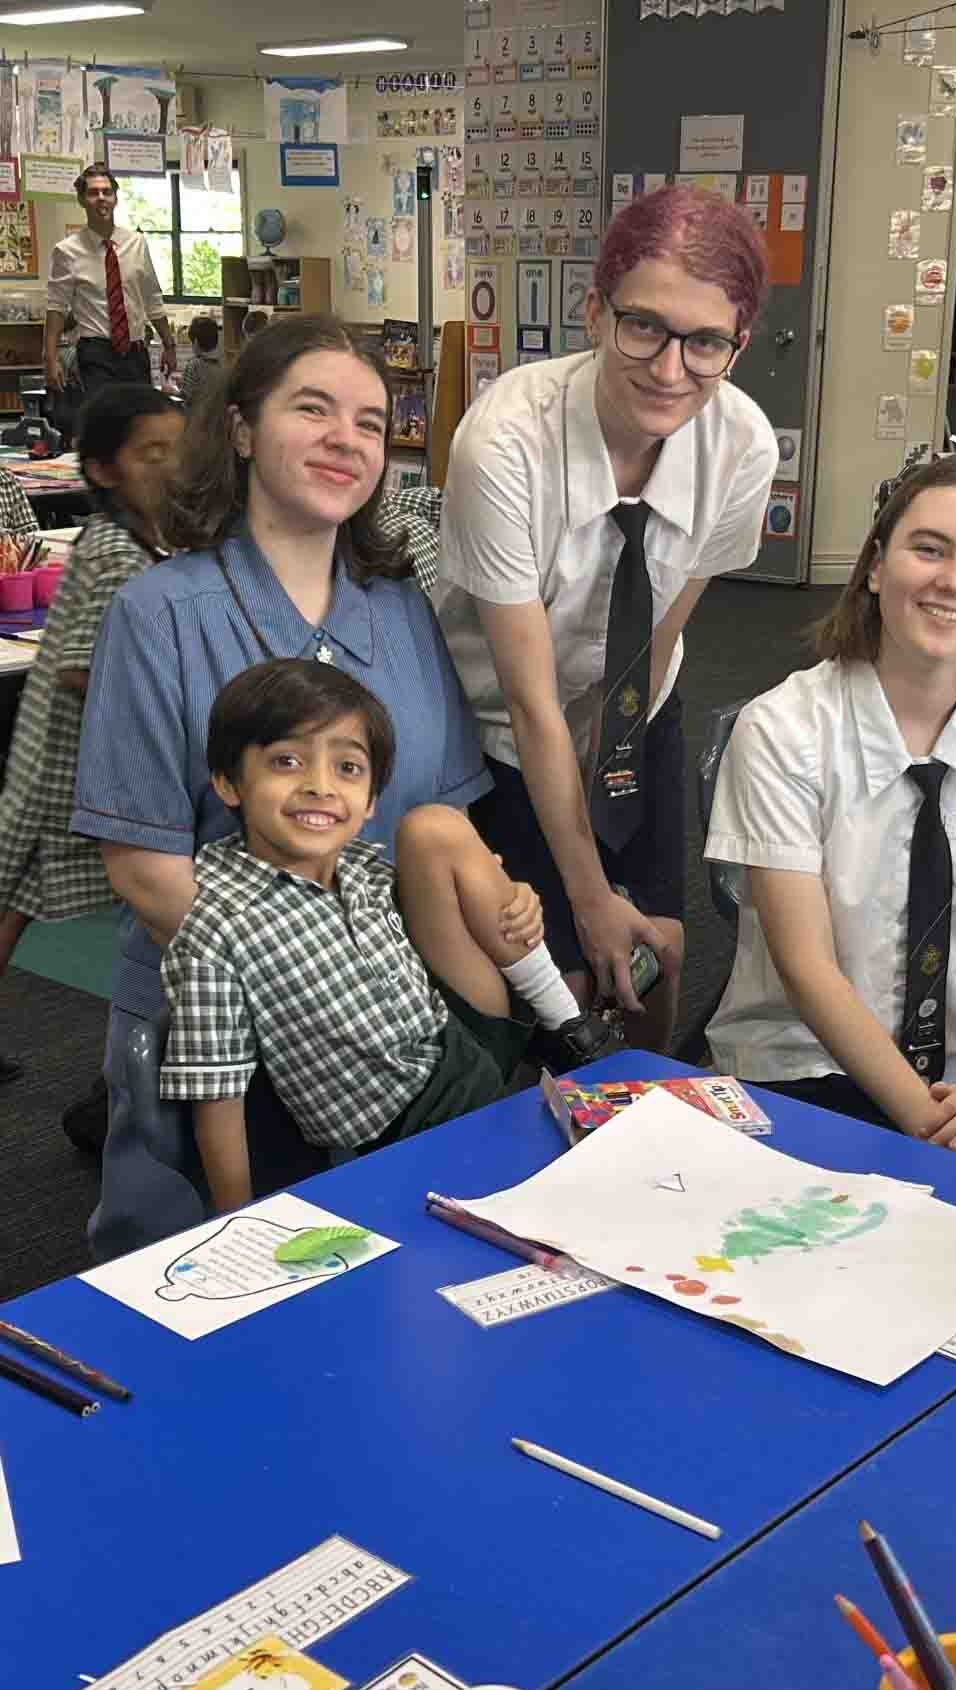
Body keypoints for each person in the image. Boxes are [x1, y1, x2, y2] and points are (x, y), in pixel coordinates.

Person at [72, 314, 513, 1261]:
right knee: (220, 1291)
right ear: (238, 430)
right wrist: (319, 989)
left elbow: (442, 818)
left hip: (394, 1015)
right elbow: (146, 869)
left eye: (366, 420)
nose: (342, 439)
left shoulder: (399, 610)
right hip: (225, 1023)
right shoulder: (160, 613)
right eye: (311, 409)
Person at [436, 185, 779, 1051]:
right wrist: (586, 890)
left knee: (660, 943)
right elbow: (530, 702)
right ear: (594, 312)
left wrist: (614, 763)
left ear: (735, 344)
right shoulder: (506, 442)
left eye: (705, 343)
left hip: (634, 704)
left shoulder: (741, 444)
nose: (670, 371)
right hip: (503, 726)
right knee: (562, 974)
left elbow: (661, 628)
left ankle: (652, 1117)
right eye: (643, 327)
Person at [704, 456, 956, 1178]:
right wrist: (941, 1133)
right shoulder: (784, 729)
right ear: (875, 565)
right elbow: (806, 968)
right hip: (800, 1064)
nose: (953, 582)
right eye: (928, 548)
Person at [161, 661, 610, 1209]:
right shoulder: (217, 923)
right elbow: (217, 1089)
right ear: (229, 782)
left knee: (437, 826)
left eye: (347, 768)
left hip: (454, 1046)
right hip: (396, 1130)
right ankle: (544, 1058)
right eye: (286, 761)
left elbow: (440, 899)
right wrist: (234, 1221)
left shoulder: (356, 861)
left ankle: (570, 1029)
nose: (319, 786)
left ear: (371, 799)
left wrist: (514, 896)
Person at [0, 384, 183, 1090]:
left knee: (17, 898)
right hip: (64, 759)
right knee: (17, 894)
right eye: (151, 454)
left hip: (72, 752)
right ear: (104, 470)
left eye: (178, 450)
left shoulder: (138, 542)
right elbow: (83, 665)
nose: (170, 466)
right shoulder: (113, 550)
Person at [44, 165, 177, 415]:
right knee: (105, 423)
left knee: (140, 422)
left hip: (136, 351)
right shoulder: (67, 251)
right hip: (97, 352)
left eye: (107, 192)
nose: (101, 198)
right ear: (82, 200)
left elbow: (152, 299)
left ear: (115, 198)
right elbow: (56, 309)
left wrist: (169, 346)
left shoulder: (136, 243)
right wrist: (50, 359)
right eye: (94, 193)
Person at [178, 315, 224, 413]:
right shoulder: (222, 363)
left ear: (195, 342)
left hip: (196, 417)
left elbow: (186, 395)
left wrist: (170, 390)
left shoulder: (193, 365)